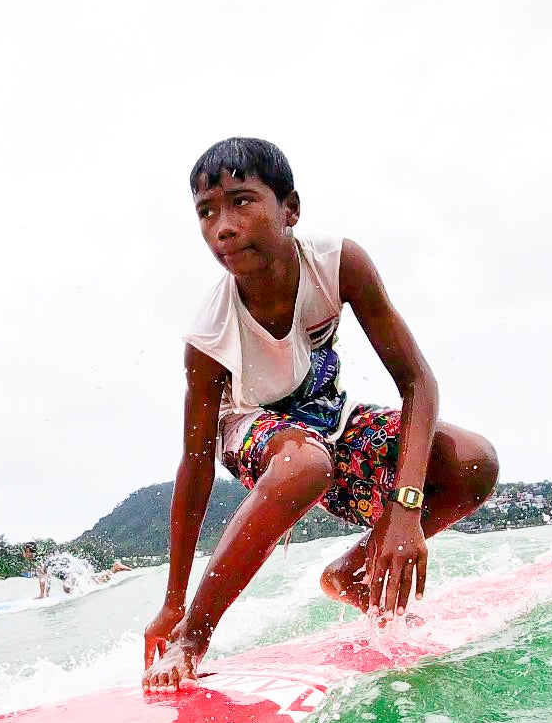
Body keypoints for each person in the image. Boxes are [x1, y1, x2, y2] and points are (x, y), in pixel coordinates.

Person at [143, 138, 499, 691]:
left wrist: (405, 513)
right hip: (255, 435)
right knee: (304, 464)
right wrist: (174, 605)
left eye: (242, 202)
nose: (224, 228)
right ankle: (195, 637)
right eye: (207, 212)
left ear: (290, 208)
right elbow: (195, 465)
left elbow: (417, 381)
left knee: (472, 461)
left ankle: (352, 574)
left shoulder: (338, 263)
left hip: (332, 420)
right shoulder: (209, 335)